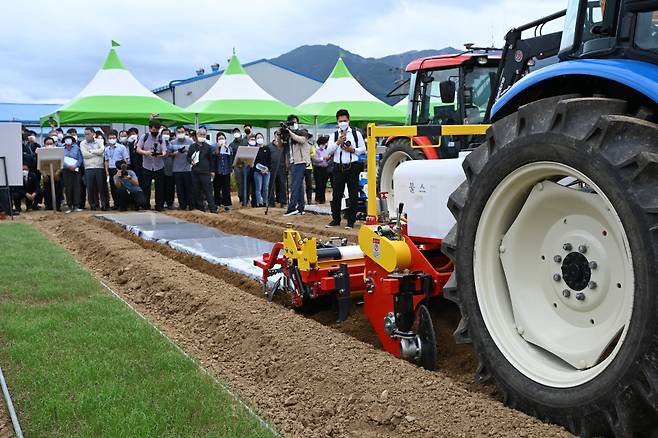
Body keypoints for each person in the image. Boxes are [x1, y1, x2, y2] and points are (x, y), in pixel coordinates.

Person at [325, 109, 366, 229]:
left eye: (345, 120)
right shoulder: (334, 135)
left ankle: (351, 221)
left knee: (353, 194)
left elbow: (363, 148)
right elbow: (328, 151)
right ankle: (335, 219)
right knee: (337, 194)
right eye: (340, 121)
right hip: (338, 167)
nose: (343, 122)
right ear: (337, 122)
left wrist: (353, 150)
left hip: (353, 166)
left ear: (349, 120)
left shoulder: (355, 133)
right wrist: (338, 142)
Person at [278, 114, 310, 216]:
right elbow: (280, 146)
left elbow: (301, 140)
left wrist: (290, 132)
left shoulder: (302, 131)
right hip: (292, 162)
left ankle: (292, 208)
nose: (293, 124)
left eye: (295, 122)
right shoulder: (287, 134)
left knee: (294, 185)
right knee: (299, 185)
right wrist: (279, 135)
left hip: (300, 161)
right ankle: (300, 208)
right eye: (291, 123)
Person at [136, 121, 167, 211]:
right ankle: (146, 205)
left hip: (159, 166)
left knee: (160, 187)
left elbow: (164, 150)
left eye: (157, 130)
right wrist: (145, 152)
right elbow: (138, 149)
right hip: (146, 166)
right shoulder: (144, 137)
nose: (155, 131)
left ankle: (159, 205)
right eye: (153, 129)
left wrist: (161, 154)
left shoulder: (161, 138)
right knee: (146, 187)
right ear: (150, 128)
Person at [187, 128, 218, 213]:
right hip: (195, 172)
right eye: (200, 134)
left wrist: (212, 171)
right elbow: (188, 157)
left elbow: (212, 160)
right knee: (196, 191)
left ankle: (213, 209)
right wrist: (191, 161)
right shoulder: (192, 146)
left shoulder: (208, 147)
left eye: (204, 135)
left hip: (206, 172)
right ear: (196, 135)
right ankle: (200, 208)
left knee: (208, 191)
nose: (202, 136)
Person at [79, 127, 108, 210]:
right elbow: (85, 155)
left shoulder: (100, 141)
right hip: (88, 168)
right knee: (90, 187)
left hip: (99, 167)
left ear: (93, 134)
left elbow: (102, 150)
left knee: (101, 187)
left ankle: (104, 204)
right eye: (85, 134)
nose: (86, 135)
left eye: (88, 134)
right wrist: (96, 152)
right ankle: (93, 204)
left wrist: (91, 151)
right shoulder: (82, 143)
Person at [168, 126, 194, 210]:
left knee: (189, 188)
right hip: (176, 169)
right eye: (179, 132)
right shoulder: (172, 142)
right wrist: (177, 152)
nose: (180, 133)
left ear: (185, 132)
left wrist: (187, 152)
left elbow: (194, 154)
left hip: (187, 169)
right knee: (179, 189)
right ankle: (182, 205)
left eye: (182, 131)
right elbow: (169, 155)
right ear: (176, 132)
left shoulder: (190, 142)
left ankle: (191, 205)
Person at [104, 129, 130, 209]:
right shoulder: (107, 149)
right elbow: (106, 161)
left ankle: (123, 204)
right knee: (113, 188)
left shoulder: (121, 147)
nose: (112, 139)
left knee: (121, 187)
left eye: (114, 137)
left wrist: (123, 170)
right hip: (111, 170)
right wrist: (107, 171)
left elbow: (126, 159)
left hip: (120, 169)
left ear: (117, 137)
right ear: (107, 138)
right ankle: (116, 204)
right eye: (110, 138)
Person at [61, 133, 84, 213]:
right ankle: (70, 206)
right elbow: (61, 160)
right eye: (66, 139)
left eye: (69, 138)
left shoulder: (77, 148)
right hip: (66, 171)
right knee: (68, 188)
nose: (68, 140)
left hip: (76, 170)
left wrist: (75, 166)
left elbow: (80, 159)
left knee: (77, 187)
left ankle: (76, 205)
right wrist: (68, 166)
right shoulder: (61, 149)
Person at [41, 136, 64, 211]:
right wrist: (44, 174)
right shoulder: (41, 152)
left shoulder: (59, 151)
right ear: (44, 144)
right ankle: (48, 206)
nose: (49, 145)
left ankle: (57, 206)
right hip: (46, 174)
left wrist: (57, 173)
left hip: (56, 173)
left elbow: (61, 163)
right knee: (47, 191)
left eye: (51, 143)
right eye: (47, 144)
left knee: (58, 191)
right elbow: (39, 165)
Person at [212, 132, 232, 210]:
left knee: (226, 188)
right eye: (219, 139)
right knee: (217, 188)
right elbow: (213, 156)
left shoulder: (228, 147)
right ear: (217, 140)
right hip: (217, 171)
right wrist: (218, 148)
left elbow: (231, 156)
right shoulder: (213, 147)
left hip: (226, 170)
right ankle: (217, 204)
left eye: (222, 138)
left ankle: (227, 204)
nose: (221, 140)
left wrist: (226, 148)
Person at [268, 131, 287, 208]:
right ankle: (271, 202)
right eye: (276, 135)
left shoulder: (283, 146)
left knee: (282, 185)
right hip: (272, 167)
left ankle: (283, 201)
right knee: (271, 185)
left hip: (281, 167)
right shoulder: (269, 146)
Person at [229, 127, 248, 205]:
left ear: (240, 133)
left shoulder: (245, 142)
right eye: (235, 132)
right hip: (237, 166)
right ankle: (241, 198)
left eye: (237, 132)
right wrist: (232, 167)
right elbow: (231, 156)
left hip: (246, 165)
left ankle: (246, 198)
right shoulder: (232, 144)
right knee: (239, 182)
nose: (236, 133)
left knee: (246, 182)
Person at [253, 132, 271, 207]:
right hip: (257, 171)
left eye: (261, 137)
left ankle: (265, 202)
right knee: (258, 188)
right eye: (258, 138)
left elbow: (270, 160)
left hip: (267, 171)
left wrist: (267, 168)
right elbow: (253, 161)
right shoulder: (254, 149)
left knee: (266, 188)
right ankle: (259, 202)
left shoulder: (267, 148)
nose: (259, 139)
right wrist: (259, 169)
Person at [312, 135, 331, 204]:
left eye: (324, 144)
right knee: (318, 183)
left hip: (325, 168)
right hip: (318, 168)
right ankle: (318, 198)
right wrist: (323, 158)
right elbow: (315, 160)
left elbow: (327, 160)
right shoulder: (316, 150)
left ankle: (322, 198)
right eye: (322, 144)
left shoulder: (326, 151)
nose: (323, 145)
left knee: (323, 184)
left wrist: (328, 159)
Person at [160, 127, 175, 209]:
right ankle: (161, 202)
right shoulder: (158, 143)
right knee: (161, 186)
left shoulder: (171, 144)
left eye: (167, 134)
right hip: (160, 168)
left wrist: (171, 154)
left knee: (170, 186)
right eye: (164, 133)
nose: (166, 135)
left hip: (170, 168)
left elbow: (172, 155)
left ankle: (170, 203)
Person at [305, 139, 314, 205]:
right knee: (299, 185)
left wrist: (307, 155)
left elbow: (313, 154)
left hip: (308, 167)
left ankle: (309, 199)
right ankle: (300, 200)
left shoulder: (310, 145)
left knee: (309, 184)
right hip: (300, 166)